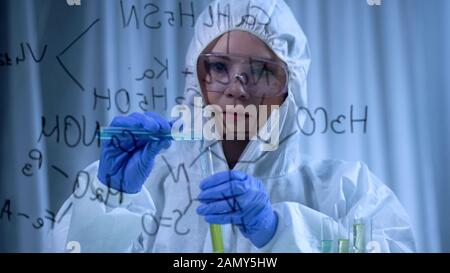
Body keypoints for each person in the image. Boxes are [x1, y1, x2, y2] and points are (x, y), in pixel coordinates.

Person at [48, 0, 415, 252]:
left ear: (291, 87)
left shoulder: (347, 191)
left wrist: (280, 231)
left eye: (260, 71)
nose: (237, 90)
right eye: (220, 67)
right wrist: (109, 201)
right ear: (197, 78)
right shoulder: (144, 186)